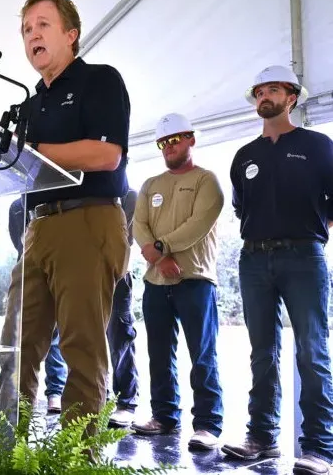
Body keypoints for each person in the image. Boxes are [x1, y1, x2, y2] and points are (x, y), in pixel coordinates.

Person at [0, 0, 131, 425]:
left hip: (87, 218)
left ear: (71, 34)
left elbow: (106, 155)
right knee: (16, 344)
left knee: (81, 348)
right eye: (25, 29)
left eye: (42, 25)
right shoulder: (26, 105)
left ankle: (78, 455)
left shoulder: (100, 80)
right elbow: (18, 170)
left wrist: (32, 151)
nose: (32, 35)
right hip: (37, 228)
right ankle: (7, 451)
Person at [221, 66, 333, 474]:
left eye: (273, 90)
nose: (264, 96)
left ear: (292, 98)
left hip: (304, 257)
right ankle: (262, 438)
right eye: (259, 92)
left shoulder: (318, 145)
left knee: (312, 351)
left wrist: (310, 237)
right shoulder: (244, 156)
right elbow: (241, 207)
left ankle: (319, 448)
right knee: (262, 353)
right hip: (253, 259)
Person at [131, 113, 224, 450]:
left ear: (190, 140)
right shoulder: (150, 185)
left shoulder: (206, 180)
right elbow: (139, 225)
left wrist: (161, 248)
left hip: (195, 281)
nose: (168, 147)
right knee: (158, 354)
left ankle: (208, 425)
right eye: (162, 142)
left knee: (202, 355)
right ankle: (164, 416)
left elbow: (198, 224)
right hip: (155, 282)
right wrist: (159, 258)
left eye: (174, 140)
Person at [7, 197, 65, 414]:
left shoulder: (60, 201)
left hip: (60, 264)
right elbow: (19, 241)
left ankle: (55, 391)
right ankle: (19, 409)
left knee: (56, 336)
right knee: (25, 338)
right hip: (30, 266)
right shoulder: (17, 207)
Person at [107, 187, 140, 428]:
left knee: (120, 338)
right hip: (84, 272)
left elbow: (124, 238)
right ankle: (97, 396)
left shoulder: (128, 196)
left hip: (118, 274)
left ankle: (126, 403)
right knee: (86, 339)